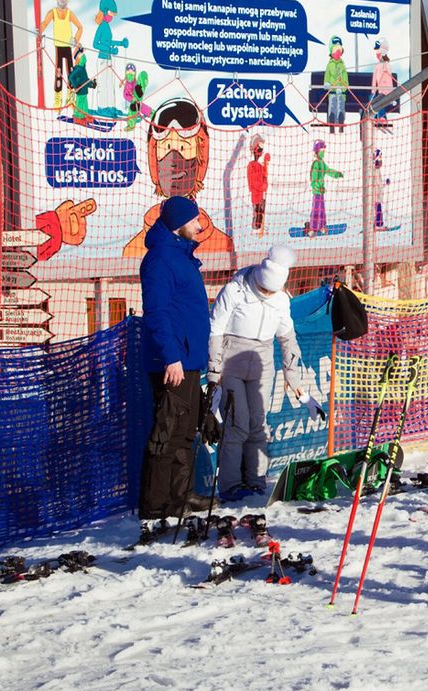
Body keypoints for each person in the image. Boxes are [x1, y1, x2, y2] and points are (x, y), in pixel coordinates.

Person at [207, 245, 324, 501]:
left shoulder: (281, 300)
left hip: (262, 361)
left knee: (258, 424)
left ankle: (256, 480)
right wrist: (214, 372)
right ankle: (230, 485)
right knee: (237, 424)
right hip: (232, 358)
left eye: (272, 291)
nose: (267, 294)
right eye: (264, 289)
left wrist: (293, 379)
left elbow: (287, 338)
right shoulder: (235, 290)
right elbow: (215, 329)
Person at [137, 196, 215, 543]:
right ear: (177, 223)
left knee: (186, 433)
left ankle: (180, 497)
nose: (200, 225)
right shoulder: (160, 260)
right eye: (195, 219)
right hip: (173, 363)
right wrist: (171, 357)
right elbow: (157, 312)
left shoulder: (183, 256)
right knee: (166, 435)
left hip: (189, 361)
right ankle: (155, 510)